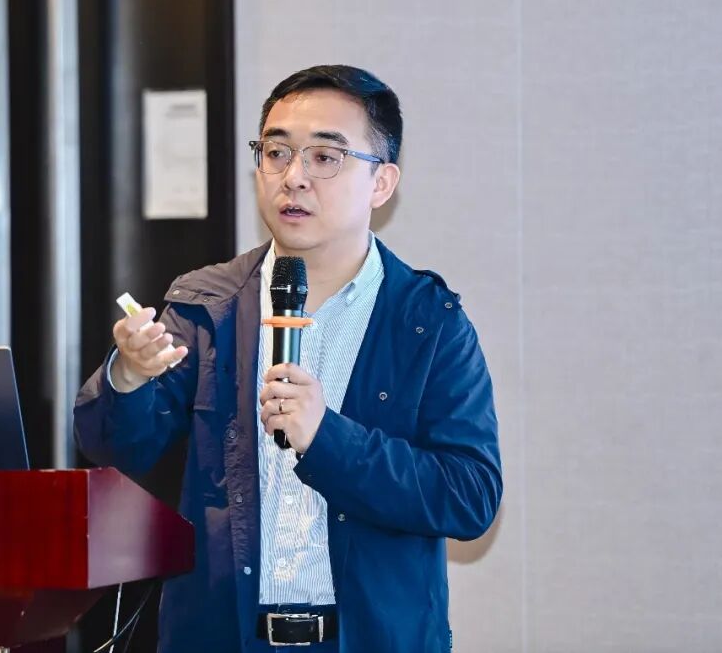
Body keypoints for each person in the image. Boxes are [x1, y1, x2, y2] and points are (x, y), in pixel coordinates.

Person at [75, 65, 502, 652]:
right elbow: (113, 449)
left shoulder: (428, 323)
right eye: (276, 152)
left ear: (381, 183)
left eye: (325, 157)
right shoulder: (207, 305)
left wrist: (328, 438)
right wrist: (128, 377)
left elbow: (470, 496)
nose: (293, 177)